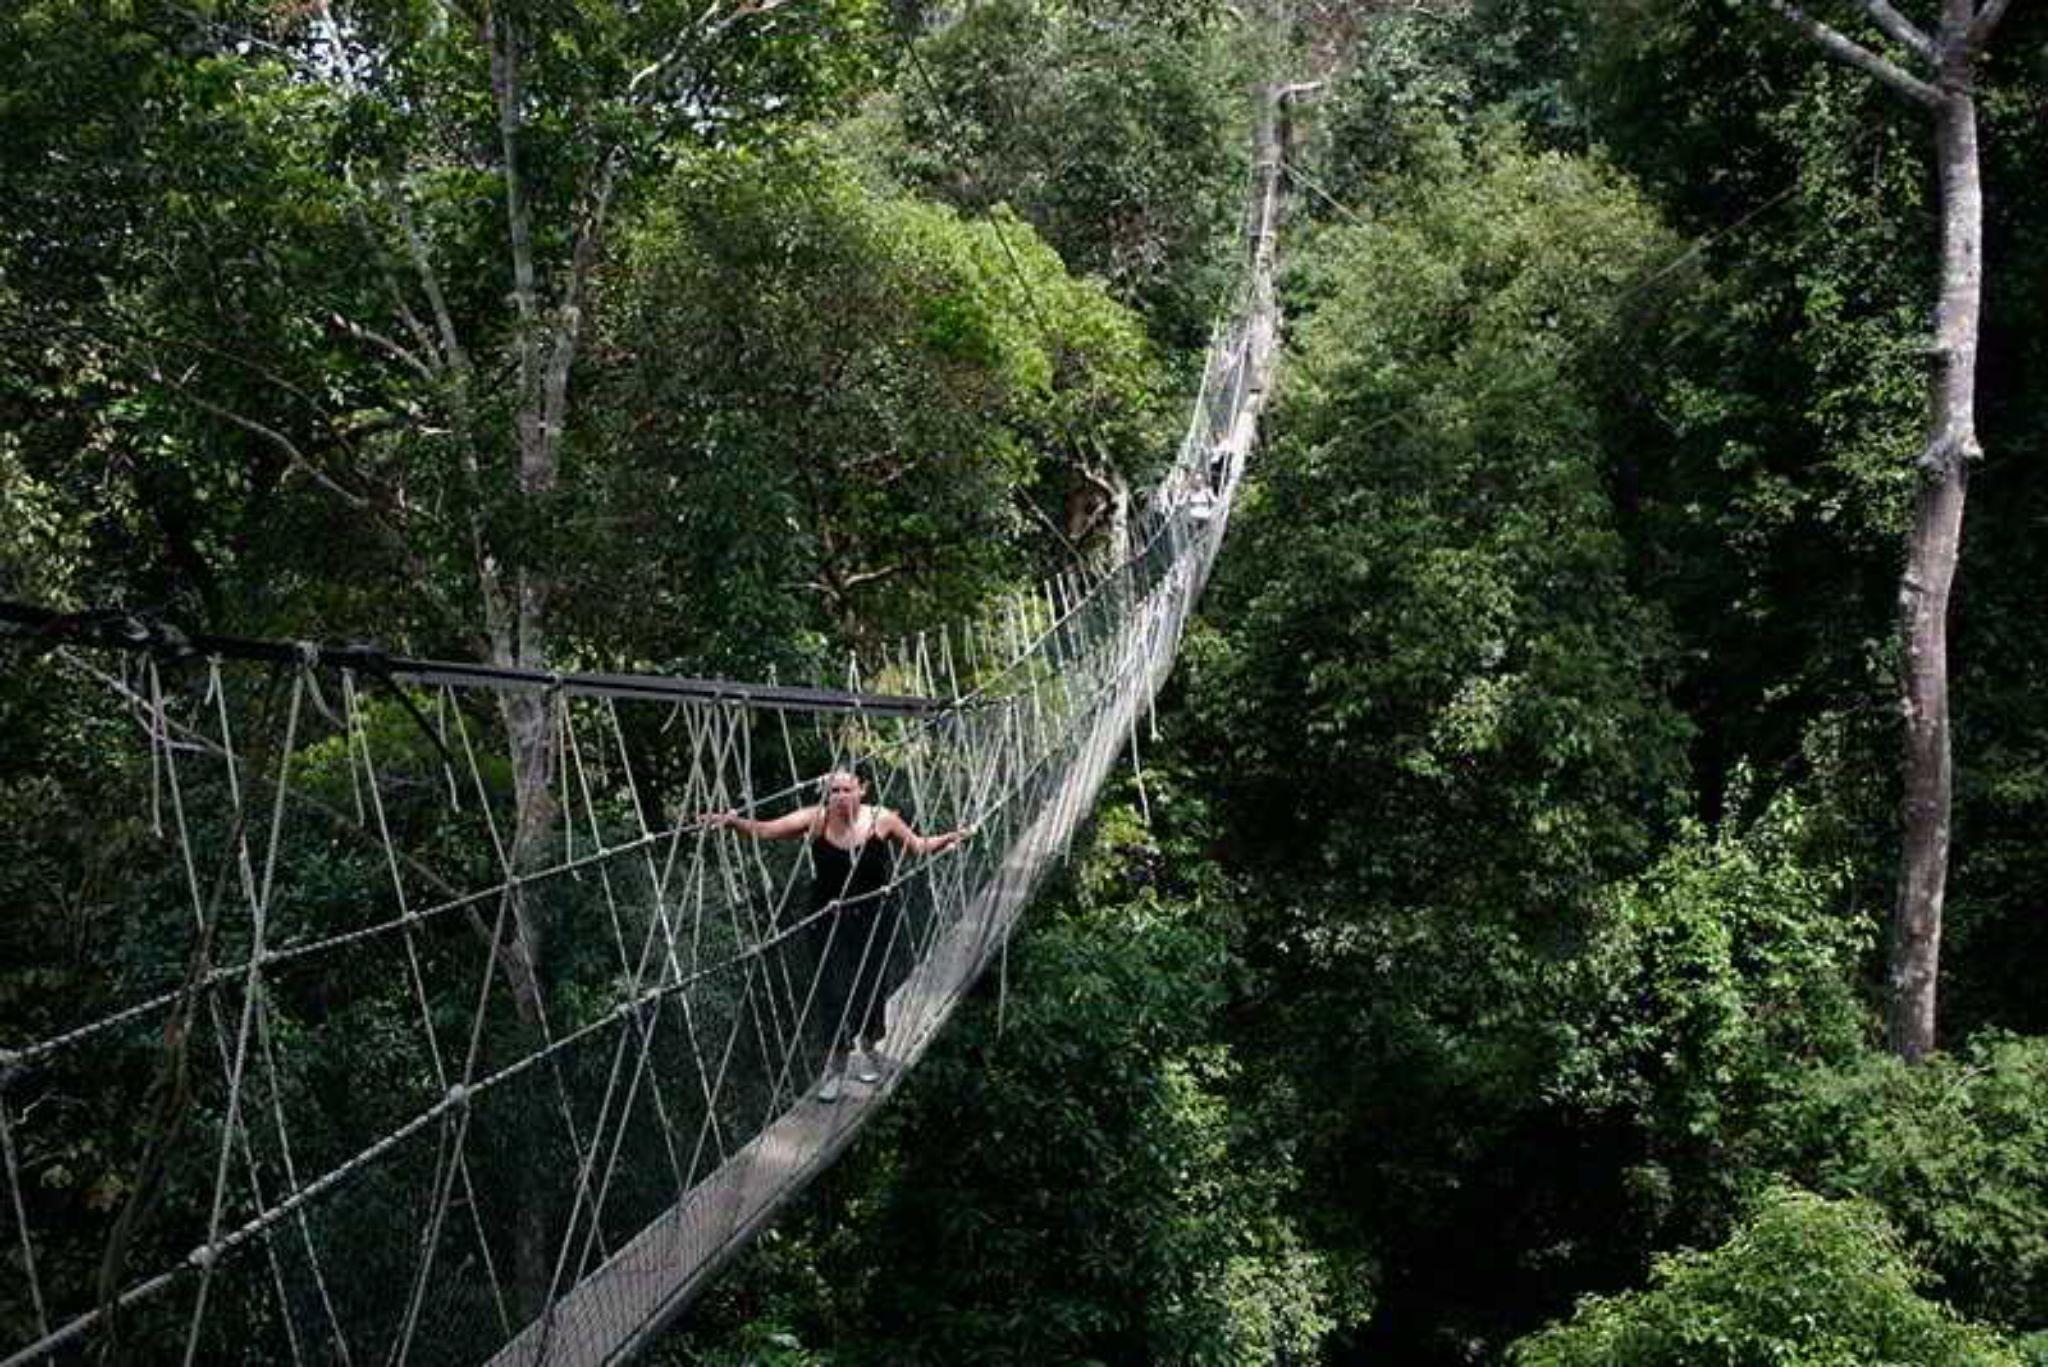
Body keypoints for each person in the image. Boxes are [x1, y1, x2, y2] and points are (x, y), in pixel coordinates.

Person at [705, 766, 970, 1101]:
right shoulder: (815, 820)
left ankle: (870, 1043)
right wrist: (733, 823)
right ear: (826, 796)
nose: (840, 797)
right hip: (827, 918)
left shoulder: (882, 819)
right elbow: (766, 831)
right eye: (834, 791)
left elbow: (917, 846)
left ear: (862, 790)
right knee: (832, 990)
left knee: (872, 985)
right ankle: (837, 1065)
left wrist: (947, 839)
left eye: (847, 789)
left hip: (874, 916)